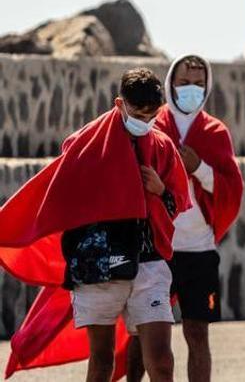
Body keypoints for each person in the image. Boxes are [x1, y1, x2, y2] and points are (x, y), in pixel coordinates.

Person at [0, 68, 191, 382]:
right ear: (119, 104)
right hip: (100, 265)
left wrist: (160, 191)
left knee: (161, 361)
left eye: (151, 115)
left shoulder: (162, 146)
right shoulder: (85, 144)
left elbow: (178, 202)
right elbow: (54, 195)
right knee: (101, 363)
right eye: (137, 113)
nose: (144, 121)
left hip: (149, 263)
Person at [125, 55, 244, 382]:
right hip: (157, 249)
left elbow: (232, 188)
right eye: (183, 82)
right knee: (140, 335)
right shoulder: (153, 124)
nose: (191, 88)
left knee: (197, 332)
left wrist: (199, 168)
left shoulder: (215, 132)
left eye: (198, 83)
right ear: (170, 83)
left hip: (199, 249)